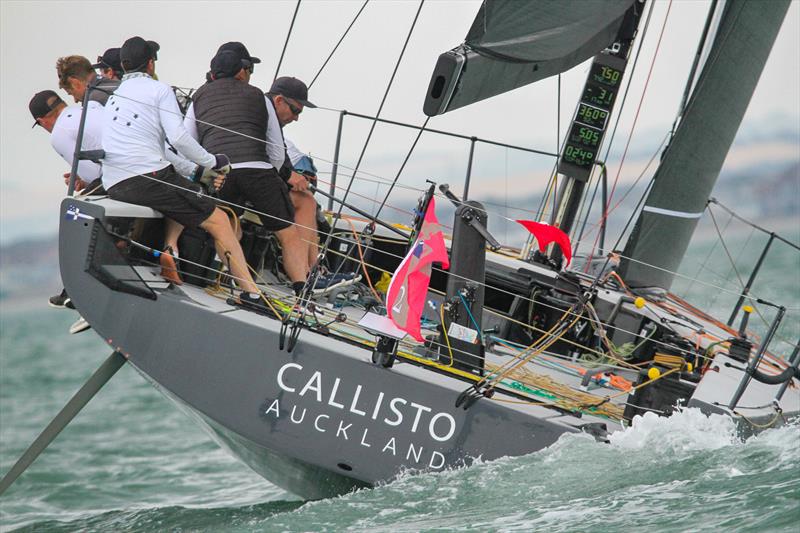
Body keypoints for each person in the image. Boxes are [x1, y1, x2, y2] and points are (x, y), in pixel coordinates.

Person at [102, 36, 262, 307]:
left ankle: (170, 250)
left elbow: (162, 150)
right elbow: (177, 138)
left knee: (185, 188)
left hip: (115, 182)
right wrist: (212, 162)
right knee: (220, 220)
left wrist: (196, 172)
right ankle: (251, 293)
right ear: (151, 63)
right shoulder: (159, 90)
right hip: (148, 178)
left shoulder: (114, 96)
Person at [184, 47, 355, 295]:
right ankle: (303, 286)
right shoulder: (258, 97)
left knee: (226, 225)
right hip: (258, 171)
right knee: (288, 233)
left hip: (223, 174)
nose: (296, 117)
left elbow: (187, 140)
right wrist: (282, 177)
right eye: (296, 110)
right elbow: (276, 152)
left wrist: (207, 169)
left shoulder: (199, 97)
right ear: (241, 71)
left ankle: (237, 281)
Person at [29, 90, 104, 333]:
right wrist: (82, 180)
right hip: (136, 167)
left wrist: (81, 181)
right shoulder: (88, 108)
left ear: (42, 122)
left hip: (121, 180)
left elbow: (94, 175)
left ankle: (80, 297)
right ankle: (72, 293)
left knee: (74, 216)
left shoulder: (59, 133)